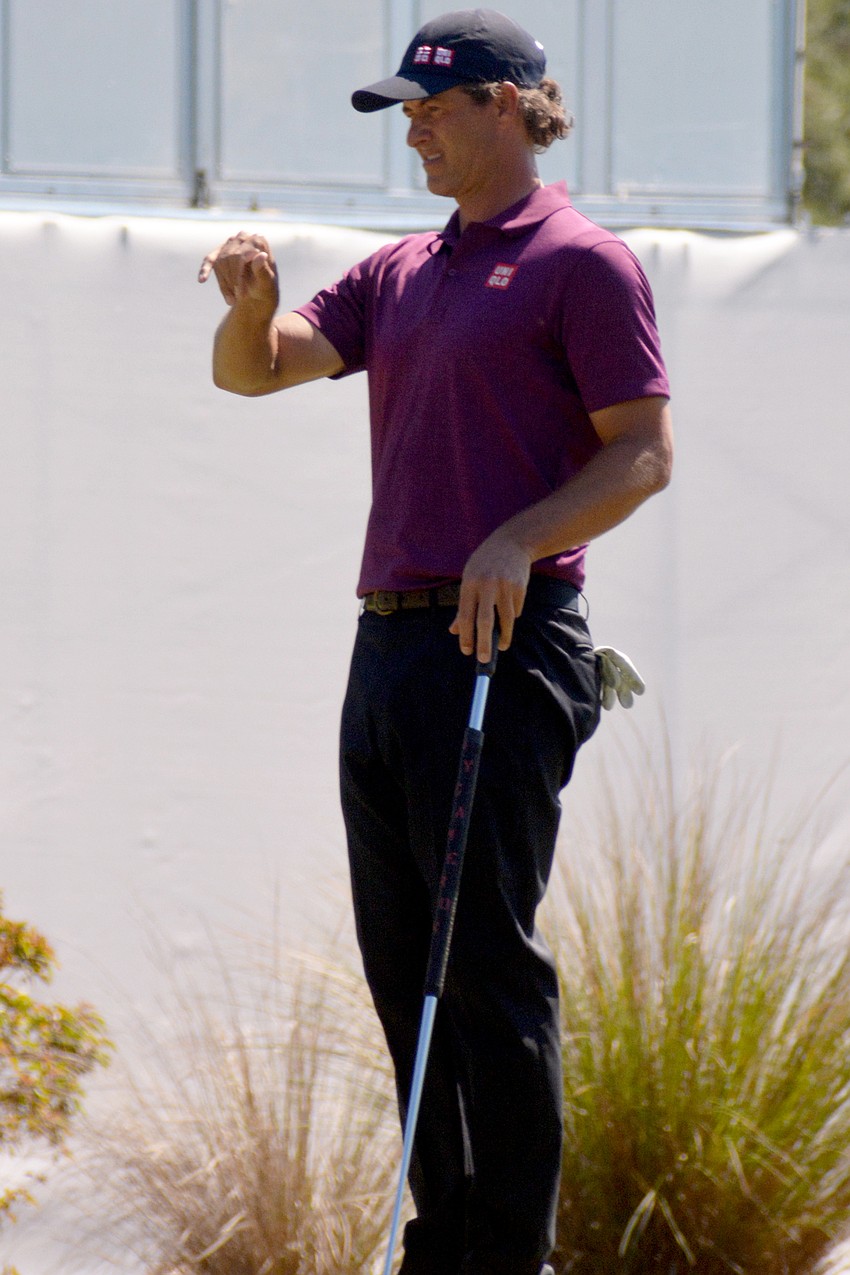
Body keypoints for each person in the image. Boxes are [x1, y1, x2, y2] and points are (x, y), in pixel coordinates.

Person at [199, 9, 672, 1273]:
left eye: (431, 106)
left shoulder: (582, 261)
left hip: (506, 646)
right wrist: (248, 306)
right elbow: (257, 372)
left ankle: (502, 1251)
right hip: (392, 647)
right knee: (401, 961)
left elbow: (641, 452)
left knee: (482, 962)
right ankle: (443, 1241)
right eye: (403, 111)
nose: (411, 129)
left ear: (509, 106)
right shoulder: (403, 269)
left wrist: (519, 536)